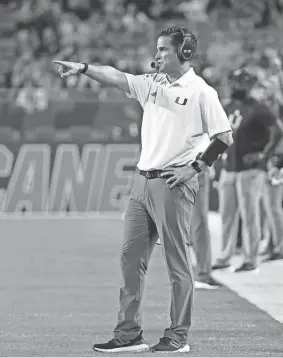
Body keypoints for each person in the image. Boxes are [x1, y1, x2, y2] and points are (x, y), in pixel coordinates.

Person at [54, 25, 233, 353]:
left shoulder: (201, 92)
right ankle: (128, 334)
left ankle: (178, 336)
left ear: (185, 53)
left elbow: (224, 137)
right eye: (158, 49)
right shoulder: (152, 83)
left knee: (177, 264)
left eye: (164, 49)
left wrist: (193, 167)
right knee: (129, 259)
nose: (157, 55)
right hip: (142, 182)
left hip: (173, 184)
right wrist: (82, 67)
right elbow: (115, 75)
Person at [212, 68, 282, 273]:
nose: (236, 86)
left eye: (241, 83)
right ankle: (225, 255)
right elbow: (220, 137)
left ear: (249, 85)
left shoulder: (259, 108)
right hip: (229, 167)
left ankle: (251, 258)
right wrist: (216, 166)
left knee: (250, 214)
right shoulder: (227, 106)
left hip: (249, 169)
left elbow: (278, 131)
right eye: (234, 82)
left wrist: (264, 155)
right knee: (227, 214)